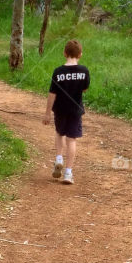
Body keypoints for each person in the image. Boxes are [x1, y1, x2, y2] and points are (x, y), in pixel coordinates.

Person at [44, 39, 90, 186]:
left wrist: (47, 113)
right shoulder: (84, 71)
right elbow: (84, 89)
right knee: (71, 140)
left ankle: (58, 159)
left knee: (59, 133)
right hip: (75, 110)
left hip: (60, 109)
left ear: (64, 53)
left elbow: (52, 93)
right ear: (80, 54)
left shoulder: (58, 72)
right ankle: (68, 173)